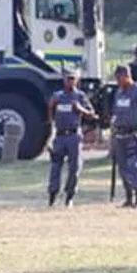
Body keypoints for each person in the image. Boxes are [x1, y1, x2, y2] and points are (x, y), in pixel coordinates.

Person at [45, 68, 96, 207]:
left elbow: (92, 114)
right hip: (60, 136)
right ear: (64, 80)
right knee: (55, 167)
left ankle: (69, 196)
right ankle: (52, 196)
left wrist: (80, 109)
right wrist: (49, 136)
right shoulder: (57, 96)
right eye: (68, 78)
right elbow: (50, 113)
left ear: (77, 80)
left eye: (73, 78)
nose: (70, 81)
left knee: (74, 168)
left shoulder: (80, 96)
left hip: (74, 135)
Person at [109, 65, 137, 208]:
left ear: (126, 76)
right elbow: (115, 114)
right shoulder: (119, 93)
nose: (117, 81)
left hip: (133, 134)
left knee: (133, 166)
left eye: (118, 78)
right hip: (119, 135)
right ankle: (129, 197)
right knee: (122, 168)